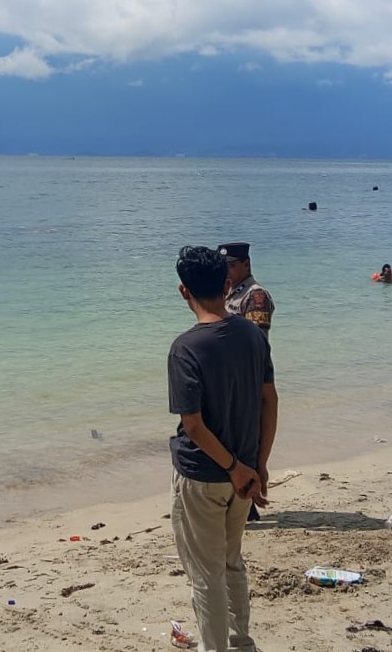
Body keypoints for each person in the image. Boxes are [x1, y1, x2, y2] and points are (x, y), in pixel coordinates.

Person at [168, 246, 277, 652]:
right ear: (227, 283)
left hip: (205, 475)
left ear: (184, 292)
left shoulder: (187, 347)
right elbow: (270, 399)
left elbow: (194, 426)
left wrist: (234, 467)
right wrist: (258, 464)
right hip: (243, 473)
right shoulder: (252, 333)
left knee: (206, 574)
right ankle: (240, 642)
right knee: (231, 563)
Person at [219, 242, 274, 337]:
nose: (226, 271)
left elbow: (257, 338)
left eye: (231, 266)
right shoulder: (228, 291)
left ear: (246, 264)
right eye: (223, 266)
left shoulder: (255, 294)